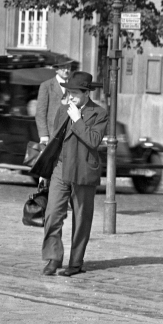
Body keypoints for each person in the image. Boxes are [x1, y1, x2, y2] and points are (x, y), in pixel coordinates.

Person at [40, 71, 109, 277]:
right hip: (60, 167)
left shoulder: (99, 113)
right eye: (68, 92)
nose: (70, 97)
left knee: (81, 219)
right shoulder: (62, 111)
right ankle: (53, 258)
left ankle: (76, 263)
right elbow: (55, 141)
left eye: (75, 93)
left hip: (83, 170)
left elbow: (94, 140)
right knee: (52, 213)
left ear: (86, 93)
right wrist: (45, 170)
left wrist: (78, 120)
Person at [36, 59, 72, 146]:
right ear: (56, 69)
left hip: (70, 132)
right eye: (63, 68)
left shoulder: (73, 85)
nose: (66, 70)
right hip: (52, 132)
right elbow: (41, 112)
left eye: (68, 67)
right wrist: (44, 135)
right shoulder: (46, 85)